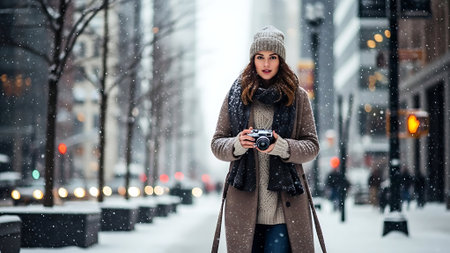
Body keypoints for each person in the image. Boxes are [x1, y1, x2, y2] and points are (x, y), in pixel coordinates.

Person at [211, 26, 321, 253]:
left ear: (281, 60)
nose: (266, 64)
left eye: (272, 57)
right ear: (253, 60)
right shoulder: (236, 95)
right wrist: (237, 144)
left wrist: (283, 147)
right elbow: (217, 143)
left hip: (284, 209)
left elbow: (311, 146)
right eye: (260, 57)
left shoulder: (297, 96)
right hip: (244, 206)